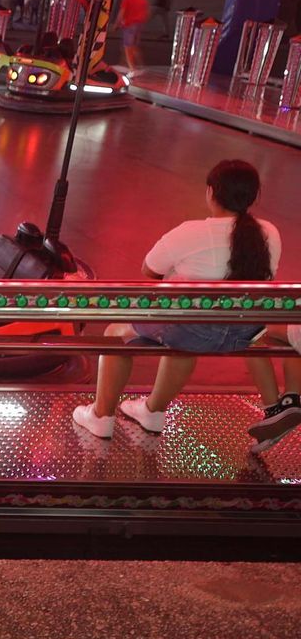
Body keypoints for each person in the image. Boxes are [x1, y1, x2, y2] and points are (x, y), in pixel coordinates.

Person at [73, 160, 280, 440]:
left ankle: (101, 416)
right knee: (185, 333)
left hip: (194, 330)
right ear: (253, 197)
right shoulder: (269, 233)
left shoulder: (191, 232)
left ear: (211, 192)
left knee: (117, 334)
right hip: (244, 333)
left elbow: (149, 270)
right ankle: (152, 411)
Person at [119, 0, 151, 72]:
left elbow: (121, 13)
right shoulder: (144, 1)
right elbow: (147, 14)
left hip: (129, 24)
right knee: (134, 46)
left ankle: (132, 68)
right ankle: (139, 64)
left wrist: (117, 23)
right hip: (139, 25)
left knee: (128, 47)